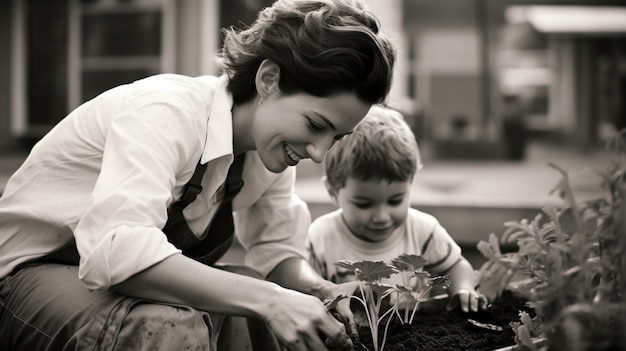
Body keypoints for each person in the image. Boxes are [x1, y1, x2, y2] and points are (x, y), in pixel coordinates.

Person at [0, 0, 396, 350]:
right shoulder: (166, 111)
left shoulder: (268, 150)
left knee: (254, 295)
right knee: (163, 324)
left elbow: (279, 257)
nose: (319, 152)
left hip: (108, 285)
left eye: (337, 137)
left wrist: (323, 290)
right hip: (25, 278)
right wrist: (273, 299)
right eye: (314, 124)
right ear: (268, 80)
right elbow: (116, 251)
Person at [306, 105, 488, 314]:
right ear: (333, 191)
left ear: (410, 183)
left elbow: (456, 265)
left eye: (395, 201)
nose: (382, 217)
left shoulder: (423, 230)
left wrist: (463, 289)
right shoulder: (320, 238)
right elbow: (309, 292)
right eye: (364, 204)